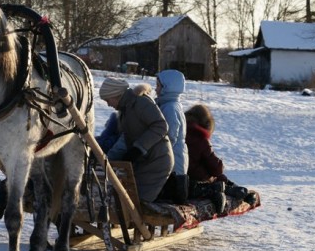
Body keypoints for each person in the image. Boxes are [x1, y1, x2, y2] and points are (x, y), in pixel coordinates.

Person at [98, 77, 173, 202]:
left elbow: (161, 126)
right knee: (127, 201)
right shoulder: (125, 111)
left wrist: (138, 148)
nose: (108, 104)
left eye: (107, 100)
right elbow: (125, 139)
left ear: (116, 95)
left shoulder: (140, 103)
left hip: (157, 162)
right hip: (143, 162)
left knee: (138, 204)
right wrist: (107, 159)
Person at [185, 104, 255, 213]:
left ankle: (239, 191)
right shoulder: (200, 138)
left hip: (182, 177)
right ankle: (239, 192)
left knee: (217, 177)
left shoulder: (181, 132)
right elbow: (216, 168)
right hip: (196, 181)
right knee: (217, 177)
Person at [155, 70, 189, 204]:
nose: (156, 89)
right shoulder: (169, 105)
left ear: (167, 87)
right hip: (176, 157)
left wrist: (158, 152)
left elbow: (170, 135)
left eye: (158, 86)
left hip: (174, 161)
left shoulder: (170, 107)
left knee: (170, 195)